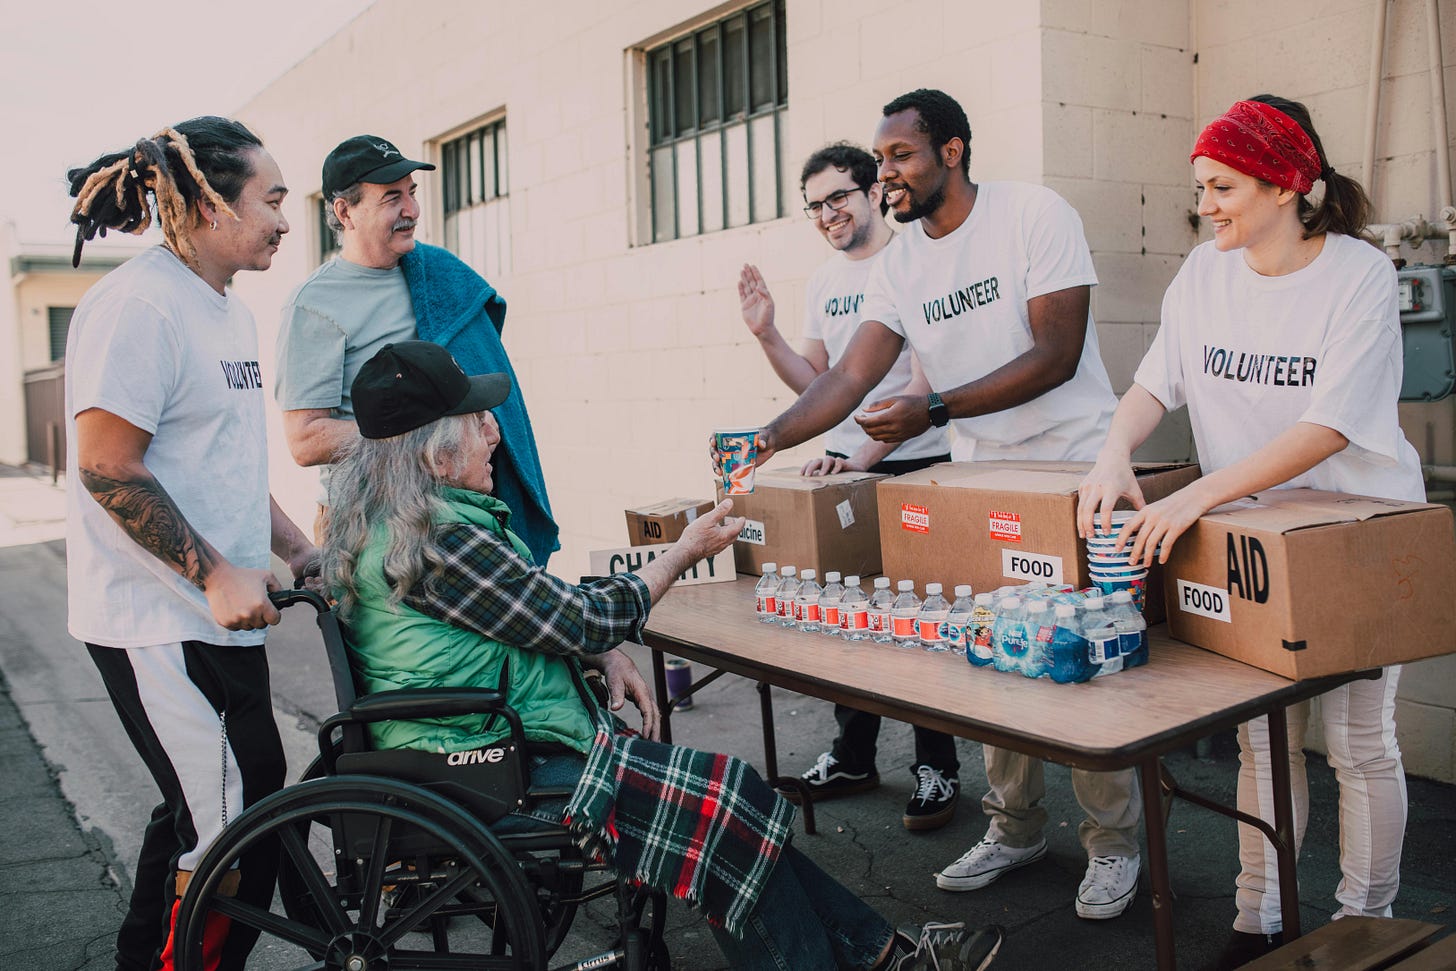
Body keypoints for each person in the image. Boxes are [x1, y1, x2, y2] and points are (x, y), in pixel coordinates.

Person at [324, 340, 1005, 971]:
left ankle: (884, 954)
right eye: (477, 422)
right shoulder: (439, 542)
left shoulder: (401, 525)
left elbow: (527, 618)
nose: (496, 431)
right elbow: (577, 615)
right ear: (434, 453)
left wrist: (600, 653)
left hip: (475, 747)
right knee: (724, 810)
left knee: (733, 803)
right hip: (487, 768)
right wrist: (680, 554)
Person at [747, 88, 1142, 921]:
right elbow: (849, 377)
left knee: (1083, 666)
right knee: (994, 654)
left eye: (900, 157)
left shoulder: (1034, 214)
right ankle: (1014, 826)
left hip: (1072, 468)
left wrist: (935, 409)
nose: (884, 174)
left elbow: (1059, 353)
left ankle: (1114, 847)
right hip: (979, 479)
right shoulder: (900, 263)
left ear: (952, 152)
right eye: (880, 158)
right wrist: (768, 437)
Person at [1077, 95, 1422, 971]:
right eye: (1201, 187)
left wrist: (1195, 498)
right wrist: (1116, 449)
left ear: (1289, 184)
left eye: (1223, 186)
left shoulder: (1358, 275)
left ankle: (1363, 924)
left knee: (1357, 742)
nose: (1207, 206)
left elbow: (1328, 428)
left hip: (1357, 532)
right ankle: (1258, 917)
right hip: (1256, 539)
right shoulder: (1203, 274)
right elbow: (1157, 382)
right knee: (1262, 733)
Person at [64, 117, 319, 971]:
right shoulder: (137, 305)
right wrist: (212, 574)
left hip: (220, 616)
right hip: (155, 620)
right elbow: (107, 467)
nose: (286, 219)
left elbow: (225, 467)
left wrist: (297, 549)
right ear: (209, 202)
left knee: (218, 804)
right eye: (272, 199)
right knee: (229, 822)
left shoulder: (226, 313)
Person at [737, 141, 957, 829]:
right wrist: (767, 334)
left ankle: (937, 767)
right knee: (846, 621)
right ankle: (854, 754)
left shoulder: (915, 263)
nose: (827, 213)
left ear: (872, 193)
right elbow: (820, 385)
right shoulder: (826, 283)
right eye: (815, 205)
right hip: (844, 471)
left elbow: (924, 382)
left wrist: (860, 455)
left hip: (912, 465)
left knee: (921, 624)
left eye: (838, 197)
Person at [274, 134, 557, 564]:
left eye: (412, 193)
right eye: (392, 197)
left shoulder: (439, 274)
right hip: (369, 519)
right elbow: (305, 440)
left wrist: (468, 427)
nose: (411, 210)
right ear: (344, 211)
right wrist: (425, 431)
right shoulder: (314, 305)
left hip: (459, 510)